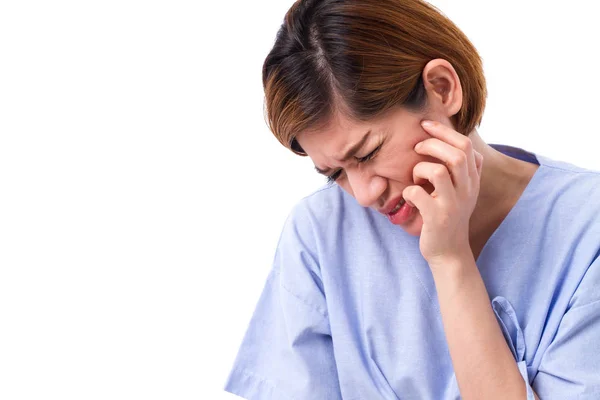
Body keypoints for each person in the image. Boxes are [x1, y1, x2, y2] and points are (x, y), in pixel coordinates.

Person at [224, 0, 600, 399]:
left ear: (442, 87)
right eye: (336, 173)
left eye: (367, 153)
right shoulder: (320, 233)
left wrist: (451, 260)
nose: (365, 194)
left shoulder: (587, 228)